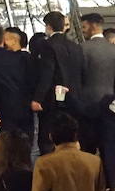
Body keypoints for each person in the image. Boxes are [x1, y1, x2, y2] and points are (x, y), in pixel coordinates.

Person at [33, 12, 84, 150]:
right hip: (74, 98)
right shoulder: (76, 46)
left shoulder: (47, 45)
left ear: (48, 26)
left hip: (52, 100)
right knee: (71, 135)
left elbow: (47, 73)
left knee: (49, 136)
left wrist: (38, 98)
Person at [0, 26, 37, 136]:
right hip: (25, 108)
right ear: (3, 39)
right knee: (27, 145)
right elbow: (30, 81)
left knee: (8, 147)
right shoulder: (20, 57)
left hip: (3, 114)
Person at [80, 12, 115, 106]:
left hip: (88, 102)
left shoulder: (82, 48)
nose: (82, 30)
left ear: (93, 26)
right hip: (114, 101)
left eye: (84, 27)